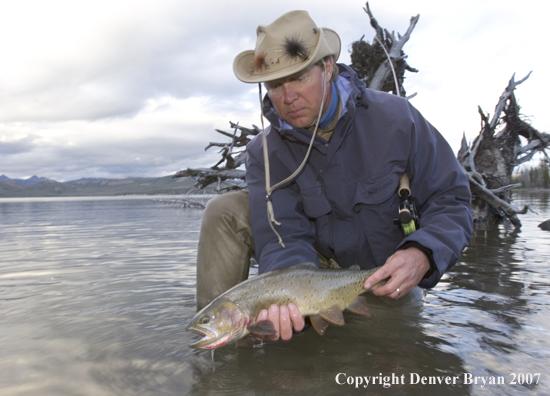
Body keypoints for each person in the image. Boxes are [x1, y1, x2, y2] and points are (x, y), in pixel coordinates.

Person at [196, 10, 472, 342]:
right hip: (309, 274)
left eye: (298, 77)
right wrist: (285, 298)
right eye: (274, 84)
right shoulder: (264, 154)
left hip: (381, 277)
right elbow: (283, 237)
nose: (287, 97)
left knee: (400, 361)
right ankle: (222, 350)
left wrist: (422, 254)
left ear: (327, 68)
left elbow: (452, 200)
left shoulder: (396, 119)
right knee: (225, 210)